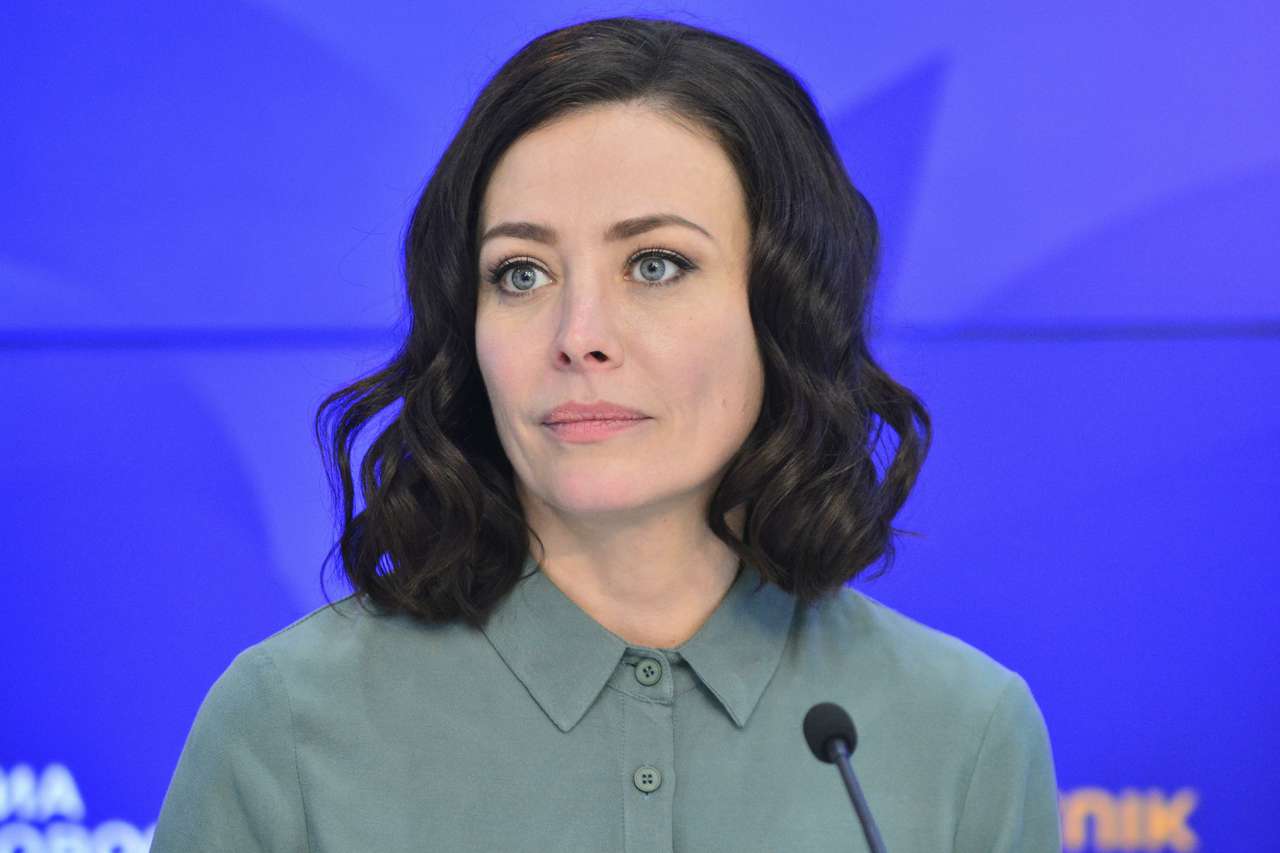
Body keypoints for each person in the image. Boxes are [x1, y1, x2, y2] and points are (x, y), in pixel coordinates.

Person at [151, 15, 1062, 852]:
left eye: (655, 264)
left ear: (785, 310)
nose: (578, 334)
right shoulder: (286, 724)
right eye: (520, 273)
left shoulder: (965, 732)